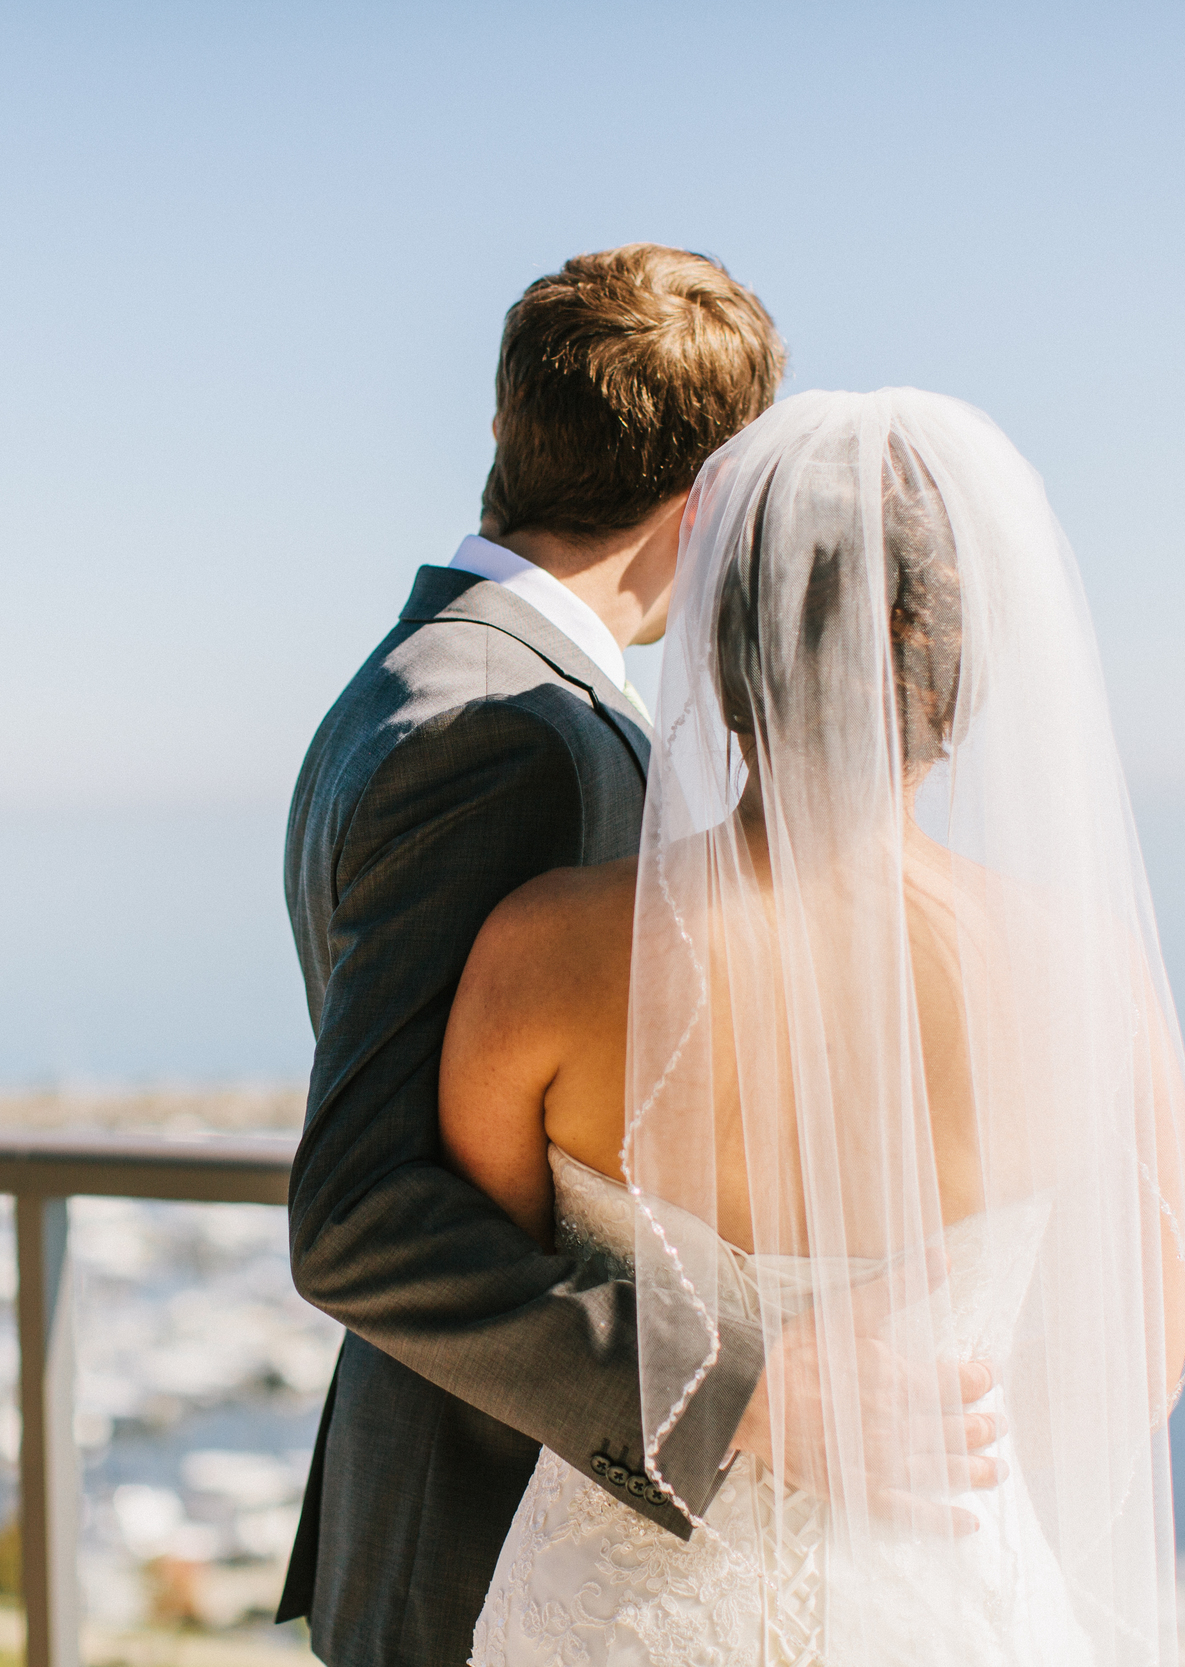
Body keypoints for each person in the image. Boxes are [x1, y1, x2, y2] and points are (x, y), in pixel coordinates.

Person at [278, 249, 1004, 1666]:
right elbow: (362, 1212)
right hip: (506, 1526)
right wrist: (749, 1390)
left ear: (508, 430)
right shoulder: (511, 733)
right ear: (719, 492)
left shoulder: (420, 670)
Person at [444, 388, 1185, 1665]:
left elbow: (485, 1290)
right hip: (943, 1598)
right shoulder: (1090, 978)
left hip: (619, 1612)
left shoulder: (544, 953)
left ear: (723, 642)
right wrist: (928, 1426)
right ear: (964, 664)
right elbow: (1136, 1340)